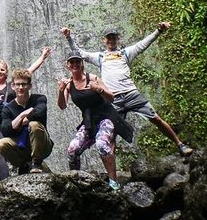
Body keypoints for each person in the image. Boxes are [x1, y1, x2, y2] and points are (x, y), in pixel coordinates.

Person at [62, 24, 193, 157]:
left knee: (156, 119)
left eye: (113, 38)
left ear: (118, 39)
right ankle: (112, 174)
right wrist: (68, 37)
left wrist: (158, 31)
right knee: (111, 134)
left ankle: (180, 144)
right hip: (113, 100)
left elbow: (143, 44)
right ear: (104, 40)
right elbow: (80, 54)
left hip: (131, 94)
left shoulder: (125, 53)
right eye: (108, 38)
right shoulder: (100, 57)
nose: (111, 40)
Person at [57, 51, 133, 191]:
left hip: (106, 117)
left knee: (102, 144)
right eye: (71, 62)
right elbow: (62, 106)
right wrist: (61, 91)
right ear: (67, 65)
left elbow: (111, 98)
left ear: (82, 64)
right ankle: (76, 182)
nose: (75, 64)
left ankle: (113, 182)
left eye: (77, 62)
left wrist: (98, 89)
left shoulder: (92, 78)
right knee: (72, 149)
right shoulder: (68, 85)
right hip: (89, 121)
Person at [0, 68, 54, 174]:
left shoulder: (39, 99)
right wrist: (23, 114)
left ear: (30, 86)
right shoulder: (8, 108)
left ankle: (36, 162)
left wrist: (17, 123)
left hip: (43, 145)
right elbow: (6, 130)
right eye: (17, 84)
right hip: (21, 147)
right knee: (2, 144)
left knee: (34, 124)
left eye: (24, 84)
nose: (21, 87)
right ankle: (22, 165)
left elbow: (39, 113)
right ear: (12, 86)